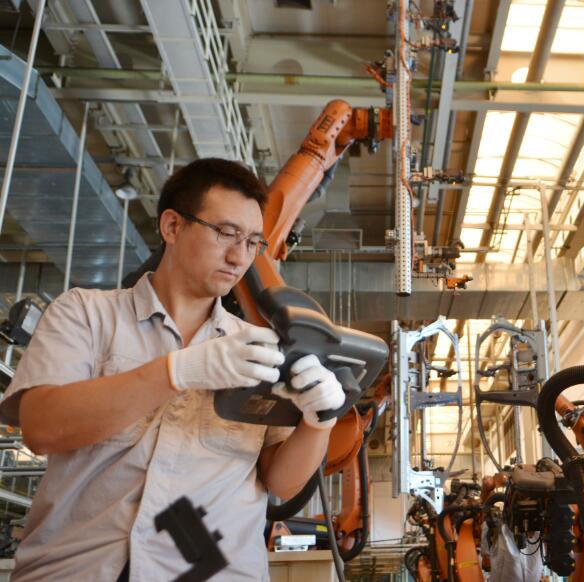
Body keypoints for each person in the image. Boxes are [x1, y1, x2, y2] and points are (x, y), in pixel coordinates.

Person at [0, 158, 344, 581]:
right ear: (172, 226)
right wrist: (176, 372)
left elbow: (281, 482)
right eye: (226, 233)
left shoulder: (260, 348)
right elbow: (41, 427)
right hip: (82, 569)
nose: (240, 256)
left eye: (253, 242)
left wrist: (318, 423)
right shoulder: (86, 315)